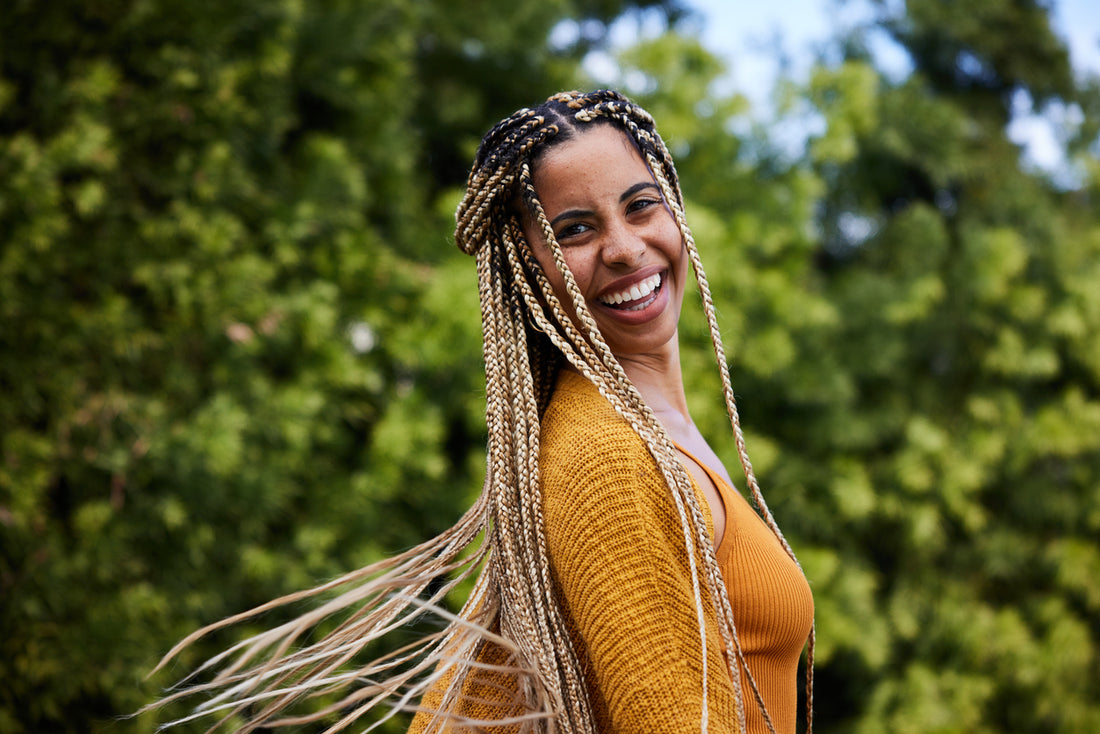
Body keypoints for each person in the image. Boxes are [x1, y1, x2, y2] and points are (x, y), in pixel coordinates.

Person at [150, 90, 814, 734]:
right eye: (574, 231)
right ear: (527, 270)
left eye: (640, 205)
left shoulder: (649, 432)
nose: (623, 247)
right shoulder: (608, 457)